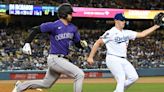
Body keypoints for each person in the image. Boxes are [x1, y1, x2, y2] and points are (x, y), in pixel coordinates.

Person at [12, 3, 88, 92]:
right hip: (55, 58)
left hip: (62, 60)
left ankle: (20, 87)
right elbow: (36, 29)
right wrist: (27, 42)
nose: (72, 15)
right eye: (70, 13)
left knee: (46, 84)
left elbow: (77, 43)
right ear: (64, 14)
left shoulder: (73, 28)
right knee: (79, 74)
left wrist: (81, 45)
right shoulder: (54, 25)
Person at [87, 13, 161, 92]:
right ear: (116, 21)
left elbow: (142, 34)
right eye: (122, 20)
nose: (124, 22)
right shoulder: (110, 32)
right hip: (113, 58)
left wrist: (156, 26)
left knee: (134, 77)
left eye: (124, 20)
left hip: (123, 59)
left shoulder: (127, 32)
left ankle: (118, 90)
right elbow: (98, 42)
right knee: (121, 78)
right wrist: (91, 57)